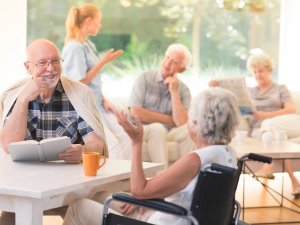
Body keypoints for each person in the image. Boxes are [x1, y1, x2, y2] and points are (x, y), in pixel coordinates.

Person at [62, 87, 240, 225]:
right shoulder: (228, 155)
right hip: (179, 215)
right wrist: (145, 198)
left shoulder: (195, 160)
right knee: (99, 195)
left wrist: (136, 142)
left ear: (195, 122)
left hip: (167, 220)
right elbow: (186, 193)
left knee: (79, 206)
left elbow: (140, 190)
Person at [0, 39, 108, 224]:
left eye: (55, 61)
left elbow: (97, 144)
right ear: (28, 66)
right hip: (24, 182)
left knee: (90, 205)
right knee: (10, 219)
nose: (51, 68)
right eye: (42, 63)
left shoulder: (79, 94)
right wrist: (24, 100)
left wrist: (82, 152)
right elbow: (9, 145)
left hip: (68, 185)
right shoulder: (13, 94)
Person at [210, 50, 300, 196]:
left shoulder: (280, 88)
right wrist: (217, 88)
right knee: (267, 135)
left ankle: (268, 167)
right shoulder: (250, 92)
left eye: (261, 71)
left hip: (283, 124)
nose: (258, 74)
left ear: (270, 70)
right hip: (261, 131)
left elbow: (291, 109)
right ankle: (294, 181)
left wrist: (264, 116)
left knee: (269, 125)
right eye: (254, 71)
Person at [62, 3, 131, 160]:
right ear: (88, 21)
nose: (100, 25)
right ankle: (112, 181)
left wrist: (105, 100)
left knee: (127, 136)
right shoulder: (74, 48)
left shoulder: (88, 44)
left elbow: (94, 83)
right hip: (86, 108)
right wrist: (103, 62)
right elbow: (78, 84)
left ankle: (126, 179)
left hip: (98, 103)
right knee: (111, 144)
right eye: (98, 21)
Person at [128, 43, 194, 166]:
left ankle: (189, 178)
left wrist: (174, 91)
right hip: (144, 129)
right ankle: (162, 179)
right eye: (167, 57)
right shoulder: (145, 78)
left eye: (175, 62)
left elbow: (181, 123)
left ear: (182, 70)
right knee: (158, 128)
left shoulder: (184, 90)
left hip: (169, 132)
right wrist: (169, 119)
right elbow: (136, 112)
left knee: (190, 131)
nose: (168, 63)